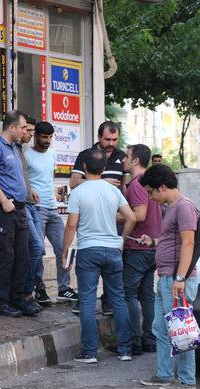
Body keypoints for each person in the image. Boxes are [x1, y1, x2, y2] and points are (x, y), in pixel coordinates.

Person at [62, 148, 136, 363]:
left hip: (88, 251)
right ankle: (125, 350)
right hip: (113, 250)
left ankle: (90, 352)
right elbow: (131, 217)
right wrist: (121, 240)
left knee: (86, 301)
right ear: (104, 168)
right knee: (118, 299)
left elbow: (71, 225)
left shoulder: (78, 192)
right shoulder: (113, 191)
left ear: (84, 167)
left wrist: (66, 250)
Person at [138, 164, 199, 389]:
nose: (151, 197)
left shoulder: (184, 207)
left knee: (181, 331)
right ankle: (164, 375)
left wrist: (180, 278)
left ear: (162, 187)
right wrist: (153, 242)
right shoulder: (172, 208)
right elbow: (173, 241)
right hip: (166, 278)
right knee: (162, 329)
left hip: (176, 280)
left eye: (151, 192)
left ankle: (187, 380)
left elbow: (188, 243)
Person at [0, 110, 38, 317]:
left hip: (19, 209)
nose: (25, 131)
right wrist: (4, 201)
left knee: (22, 256)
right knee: (5, 256)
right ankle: (0, 302)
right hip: (2, 209)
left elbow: (14, 176)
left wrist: (28, 190)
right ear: (12, 127)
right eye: (23, 127)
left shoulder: (14, 148)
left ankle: (18, 298)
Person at [69, 121, 126, 315]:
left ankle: (108, 303)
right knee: (91, 266)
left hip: (114, 217)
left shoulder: (122, 157)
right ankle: (85, 301)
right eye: (107, 139)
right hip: (91, 217)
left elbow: (125, 187)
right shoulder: (86, 155)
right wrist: (102, 182)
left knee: (113, 271)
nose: (111, 143)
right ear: (98, 138)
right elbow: (74, 182)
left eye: (115, 139)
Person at [26, 121, 78, 303]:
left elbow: (49, 178)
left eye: (50, 137)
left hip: (52, 207)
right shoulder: (27, 156)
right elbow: (24, 180)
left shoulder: (53, 154)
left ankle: (64, 288)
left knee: (64, 248)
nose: (47, 141)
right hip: (36, 208)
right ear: (36, 136)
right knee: (38, 250)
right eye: (44, 137)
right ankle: (39, 289)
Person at [120, 144, 161, 354]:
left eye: (127, 157)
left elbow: (139, 215)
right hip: (152, 247)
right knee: (147, 296)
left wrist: (113, 216)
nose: (123, 161)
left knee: (128, 295)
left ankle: (133, 342)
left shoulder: (138, 183)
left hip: (139, 247)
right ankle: (150, 340)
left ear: (135, 161)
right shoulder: (146, 182)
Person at [14, 115, 44, 312]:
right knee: (36, 246)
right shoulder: (7, 147)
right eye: (27, 130)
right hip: (20, 206)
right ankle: (25, 292)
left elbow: (22, 175)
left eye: (32, 131)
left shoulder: (19, 150)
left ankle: (30, 291)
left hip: (31, 203)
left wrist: (29, 187)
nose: (30, 134)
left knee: (36, 249)